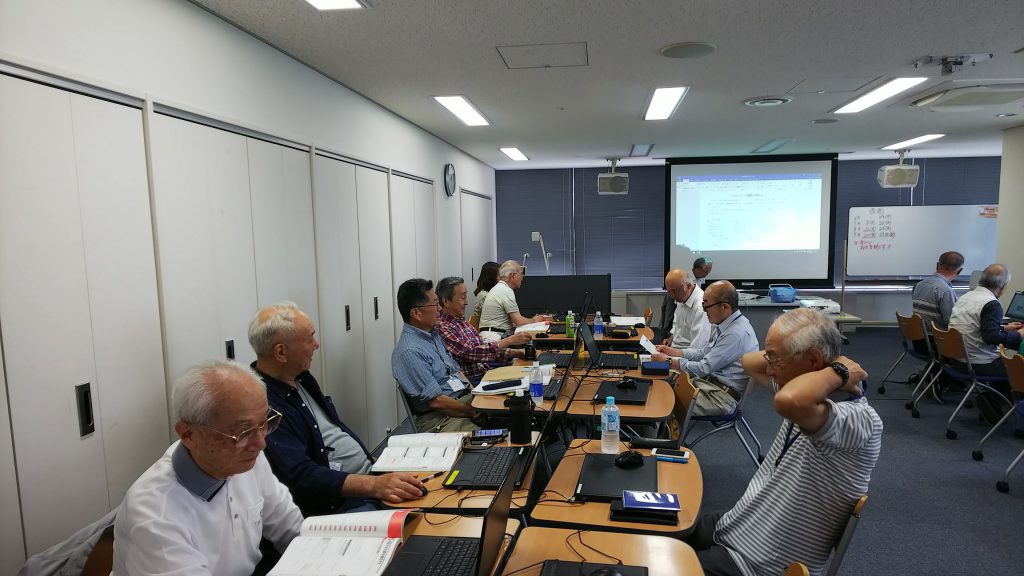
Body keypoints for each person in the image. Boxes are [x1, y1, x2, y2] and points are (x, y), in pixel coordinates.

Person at [685, 308, 882, 576]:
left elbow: (789, 401)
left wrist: (837, 369)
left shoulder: (857, 419)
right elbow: (749, 362)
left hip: (759, 564)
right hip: (742, 527)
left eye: (775, 359)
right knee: (657, 526)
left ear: (813, 360)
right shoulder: (803, 388)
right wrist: (826, 365)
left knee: (653, 565)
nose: (768, 368)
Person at [113, 361, 304, 576]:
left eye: (264, 424)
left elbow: (291, 528)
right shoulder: (156, 516)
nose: (261, 444)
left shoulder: (245, 459)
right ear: (188, 435)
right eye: (243, 432)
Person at [250, 302, 425, 517]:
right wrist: (374, 485)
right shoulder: (263, 406)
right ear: (281, 352)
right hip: (342, 503)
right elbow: (301, 476)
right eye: (309, 338)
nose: (316, 345)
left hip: (370, 475)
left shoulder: (301, 378)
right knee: (427, 522)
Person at [653, 281, 758, 416]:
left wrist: (669, 361)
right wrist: (674, 352)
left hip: (720, 397)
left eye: (706, 306)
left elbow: (703, 368)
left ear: (724, 307)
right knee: (661, 389)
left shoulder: (735, 334)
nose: (704, 310)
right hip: (709, 385)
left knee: (661, 401)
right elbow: (704, 352)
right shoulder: (724, 324)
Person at [392, 278, 483, 432]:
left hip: (462, 402)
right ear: (416, 313)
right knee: (494, 439)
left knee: (513, 411)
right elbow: (437, 402)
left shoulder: (432, 335)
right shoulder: (410, 351)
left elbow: (456, 371)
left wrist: (475, 395)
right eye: (435, 304)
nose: (439, 309)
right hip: (441, 417)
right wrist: (472, 411)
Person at [948, 264, 1024, 422]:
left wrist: (1003, 328)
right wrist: (1018, 334)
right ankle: (997, 402)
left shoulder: (966, 297)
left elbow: (975, 326)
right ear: (1003, 286)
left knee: (1009, 364)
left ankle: (993, 401)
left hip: (957, 360)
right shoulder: (991, 303)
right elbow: (991, 338)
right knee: (1018, 370)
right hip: (979, 364)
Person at [436, 276, 531, 383]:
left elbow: (484, 348)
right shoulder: (443, 328)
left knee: (529, 373)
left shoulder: (461, 321)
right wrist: (509, 341)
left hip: (485, 370)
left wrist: (517, 352)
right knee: (526, 380)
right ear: (446, 301)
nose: (466, 302)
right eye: (462, 297)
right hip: (474, 380)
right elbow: (472, 352)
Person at [477, 260, 550, 343]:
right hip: (494, 338)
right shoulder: (505, 290)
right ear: (513, 276)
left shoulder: (499, 287)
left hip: (493, 334)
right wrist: (534, 320)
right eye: (521, 275)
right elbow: (519, 321)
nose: (522, 278)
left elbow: (514, 321)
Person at [912, 251, 964, 331]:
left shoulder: (919, 285)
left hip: (919, 333)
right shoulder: (946, 291)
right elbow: (950, 321)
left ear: (937, 265)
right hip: (936, 336)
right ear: (959, 271)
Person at [663, 268, 711, 349]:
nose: (672, 296)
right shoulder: (682, 297)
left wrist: (671, 353)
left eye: (674, 291)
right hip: (676, 348)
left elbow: (697, 349)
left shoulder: (701, 307)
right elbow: (677, 323)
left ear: (688, 286)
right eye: (669, 292)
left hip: (686, 352)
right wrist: (672, 337)